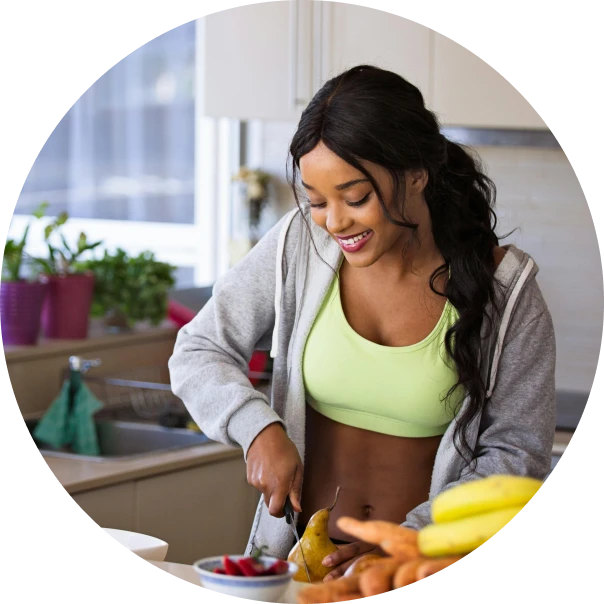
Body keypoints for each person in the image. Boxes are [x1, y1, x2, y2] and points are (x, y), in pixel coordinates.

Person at [168, 65, 556, 581]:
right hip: (301, 571)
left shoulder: (506, 289)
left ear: (417, 174)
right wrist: (258, 428)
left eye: (355, 198)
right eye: (316, 201)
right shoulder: (300, 244)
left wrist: (408, 544)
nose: (334, 222)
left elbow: (516, 456)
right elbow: (198, 349)